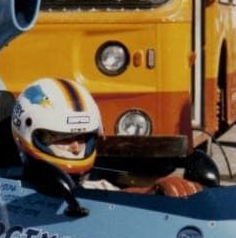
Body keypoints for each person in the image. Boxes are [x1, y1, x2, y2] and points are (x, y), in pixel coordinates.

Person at [12, 77, 202, 197]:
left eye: (83, 137)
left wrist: (153, 190)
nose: (77, 148)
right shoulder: (4, 193)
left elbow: (116, 198)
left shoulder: (92, 187)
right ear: (28, 137)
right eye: (64, 138)